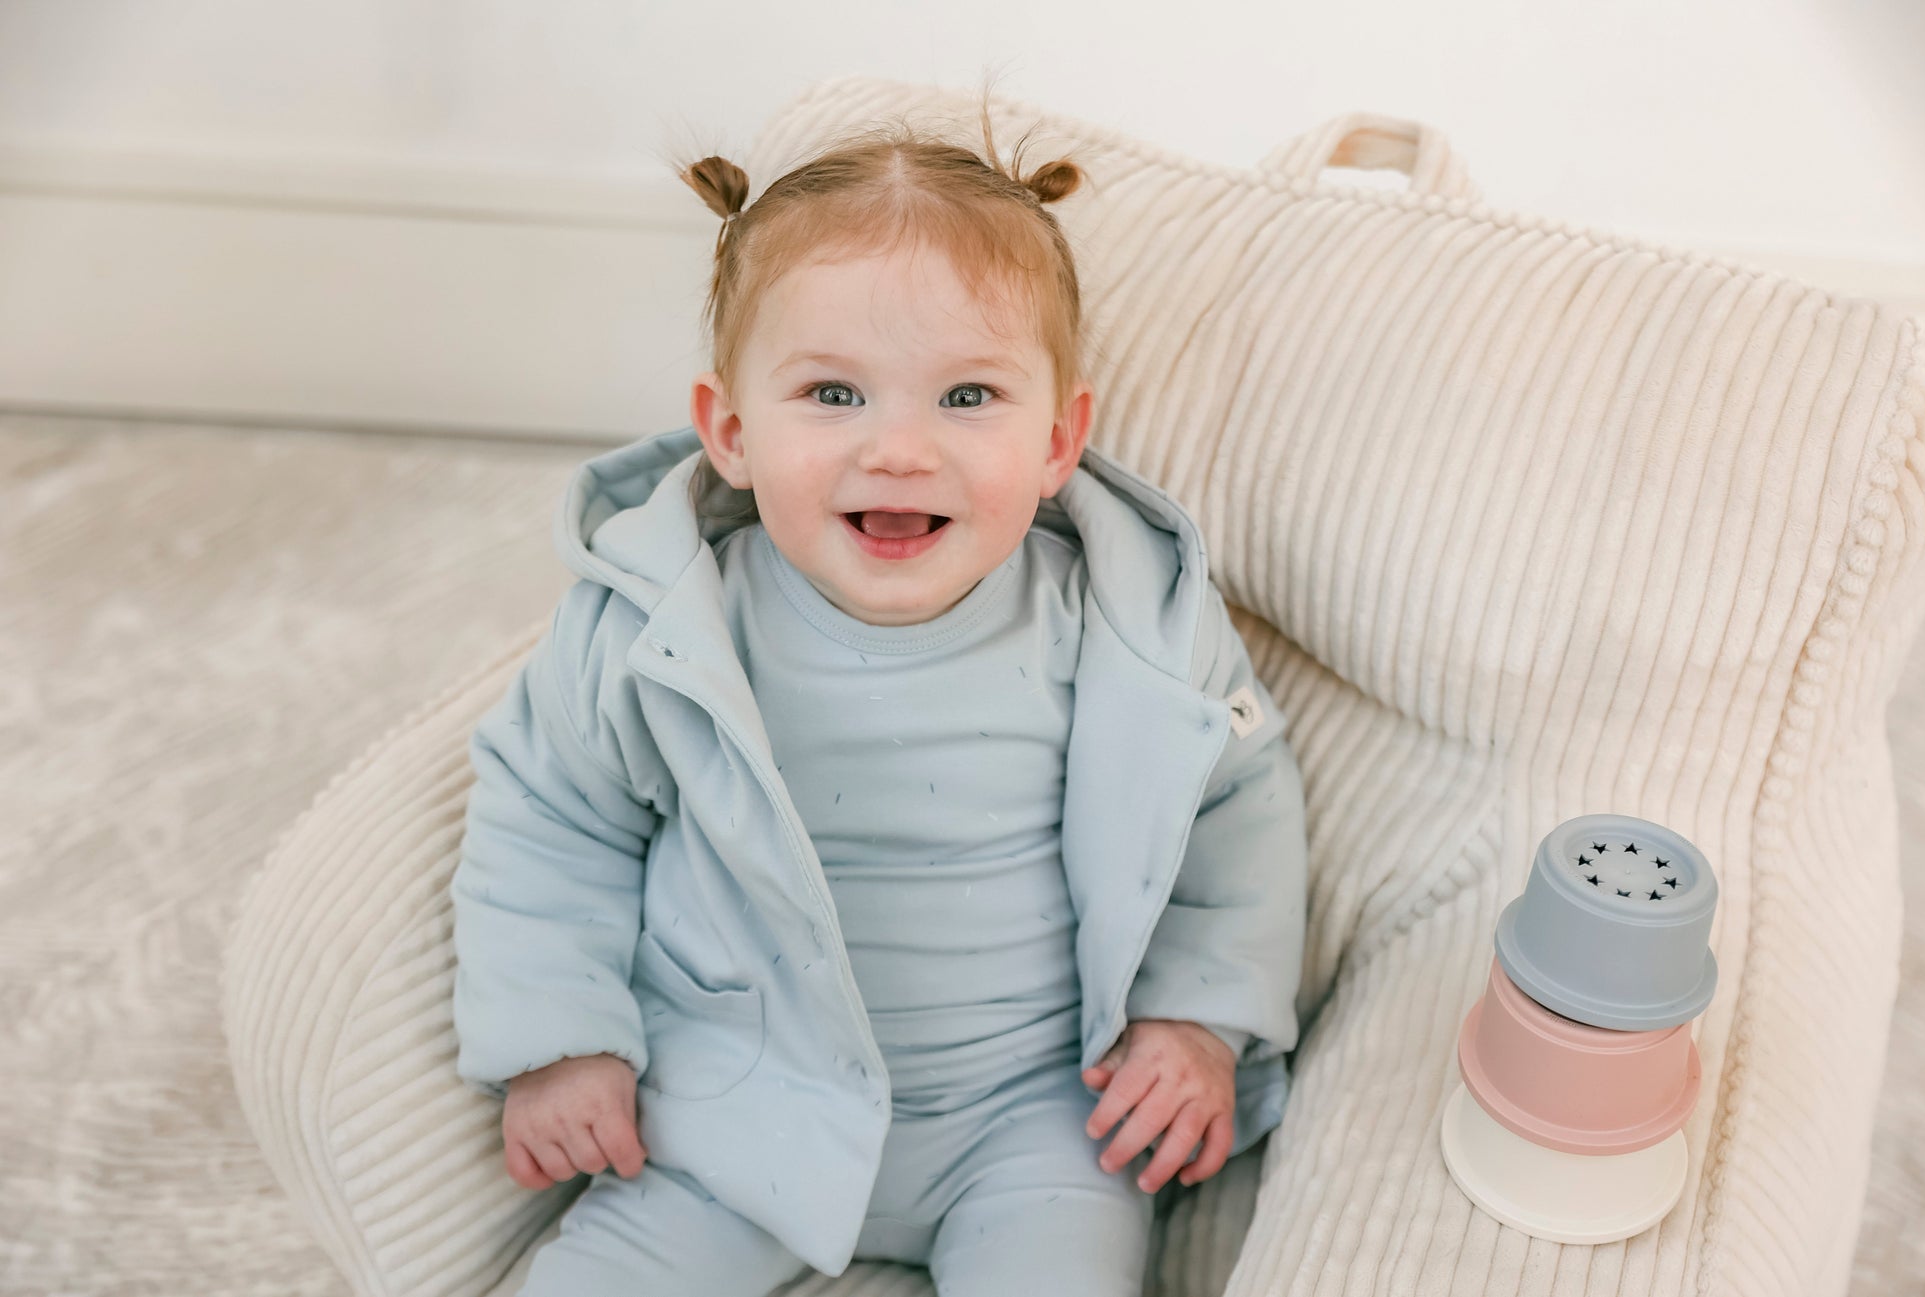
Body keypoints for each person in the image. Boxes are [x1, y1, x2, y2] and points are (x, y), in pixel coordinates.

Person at [449, 82, 1310, 1297]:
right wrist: (561, 1040)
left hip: (1034, 1116)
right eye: (832, 394)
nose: (898, 448)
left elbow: (1235, 814)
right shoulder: (664, 627)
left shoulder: (1130, 632)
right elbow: (550, 818)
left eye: (968, 397)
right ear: (730, 432)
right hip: (725, 1102)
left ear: (1058, 441)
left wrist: (1197, 1020)